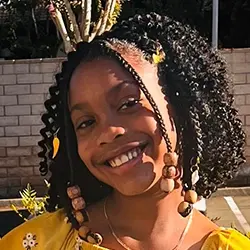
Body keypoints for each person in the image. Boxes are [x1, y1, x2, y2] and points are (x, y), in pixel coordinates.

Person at [0, 12, 249, 250]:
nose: (108, 132)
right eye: (86, 122)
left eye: (128, 103)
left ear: (182, 106)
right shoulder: (35, 243)